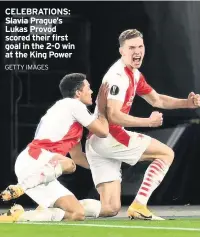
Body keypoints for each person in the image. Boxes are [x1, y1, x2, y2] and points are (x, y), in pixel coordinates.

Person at [85, 29, 200, 220]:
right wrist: (149, 122)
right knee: (166, 153)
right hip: (110, 136)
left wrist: (186, 103)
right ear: (121, 50)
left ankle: (56, 209)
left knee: (110, 208)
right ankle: (139, 205)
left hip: (96, 142)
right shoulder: (118, 77)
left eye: (140, 46)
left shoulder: (134, 74)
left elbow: (157, 100)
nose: (137, 51)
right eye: (131, 48)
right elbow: (113, 116)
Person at [0, 73, 109, 222]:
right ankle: (20, 187)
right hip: (36, 159)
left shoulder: (71, 120)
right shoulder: (73, 104)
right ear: (78, 93)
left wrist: (105, 169)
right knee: (69, 165)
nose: (92, 92)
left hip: (42, 169)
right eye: (88, 88)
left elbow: (78, 157)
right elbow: (103, 132)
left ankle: (19, 216)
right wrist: (103, 108)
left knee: (77, 213)